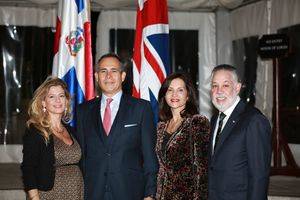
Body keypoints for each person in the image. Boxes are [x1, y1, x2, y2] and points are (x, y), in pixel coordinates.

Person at [75, 53, 158, 200]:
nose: (108, 76)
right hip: (93, 192)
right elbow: (81, 158)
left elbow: (150, 157)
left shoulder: (141, 108)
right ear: (96, 76)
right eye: (103, 71)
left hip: (130, 192)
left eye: (114, 71)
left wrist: (150, 193)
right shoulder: (83, 111)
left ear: (123, 76)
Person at [208, 64, 272, 200]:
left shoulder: (254, 120)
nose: (218, 91)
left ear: (237, 88)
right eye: (214, 86)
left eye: (225, 85)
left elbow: (259, 176)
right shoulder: (215, 119)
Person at [21, 77, 83, 200]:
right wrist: (34, 198)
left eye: (61, 96)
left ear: (66, 101)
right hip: (49, 195)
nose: (58, 100)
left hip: (77, 192)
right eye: (51, 97)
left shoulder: (72, 131)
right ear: (43, 102)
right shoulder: (36, 131)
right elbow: (28, 168)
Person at [156, 72, 210, 200]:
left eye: (180, 90)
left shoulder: (197, 122)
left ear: (187, 96)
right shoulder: (160, 127)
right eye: (170, 90)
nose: (174, 95)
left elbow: (202, 170)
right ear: (165, 94)